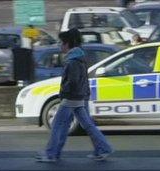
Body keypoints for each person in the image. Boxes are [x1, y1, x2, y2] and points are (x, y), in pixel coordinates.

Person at [36, 28, 113, 162]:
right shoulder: (78, 57)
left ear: (67, 44)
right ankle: (103, 149)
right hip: (80, 97)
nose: (60, 46)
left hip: (71, 98)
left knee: (58, 125)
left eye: (62, 43)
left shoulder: (73, 61)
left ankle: (52, 154)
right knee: (86, 125)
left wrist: (64, 94)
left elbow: (73, 82)